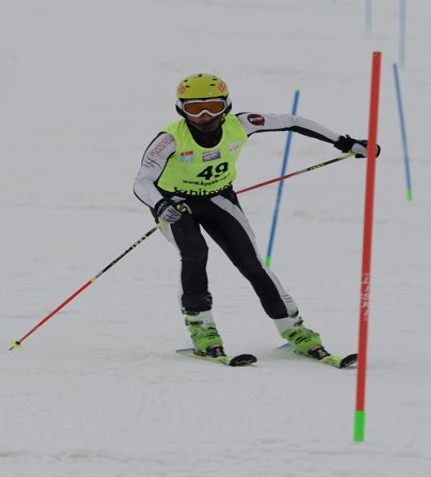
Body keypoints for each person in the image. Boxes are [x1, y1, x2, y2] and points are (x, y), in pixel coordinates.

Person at [133, 73, 378, 360]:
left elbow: (293, 121)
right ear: (180, 109)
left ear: (226, 105)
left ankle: (294, 328)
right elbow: (142, 181)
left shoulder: (243, 123)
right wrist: (161, 205)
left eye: (212, 107)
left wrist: (343, 141)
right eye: (193, 108)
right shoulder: (169, 139)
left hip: (218, 199)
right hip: (175, 205)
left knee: (251, 262)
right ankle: (202, 329)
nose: (203, 115)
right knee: (195, 252)